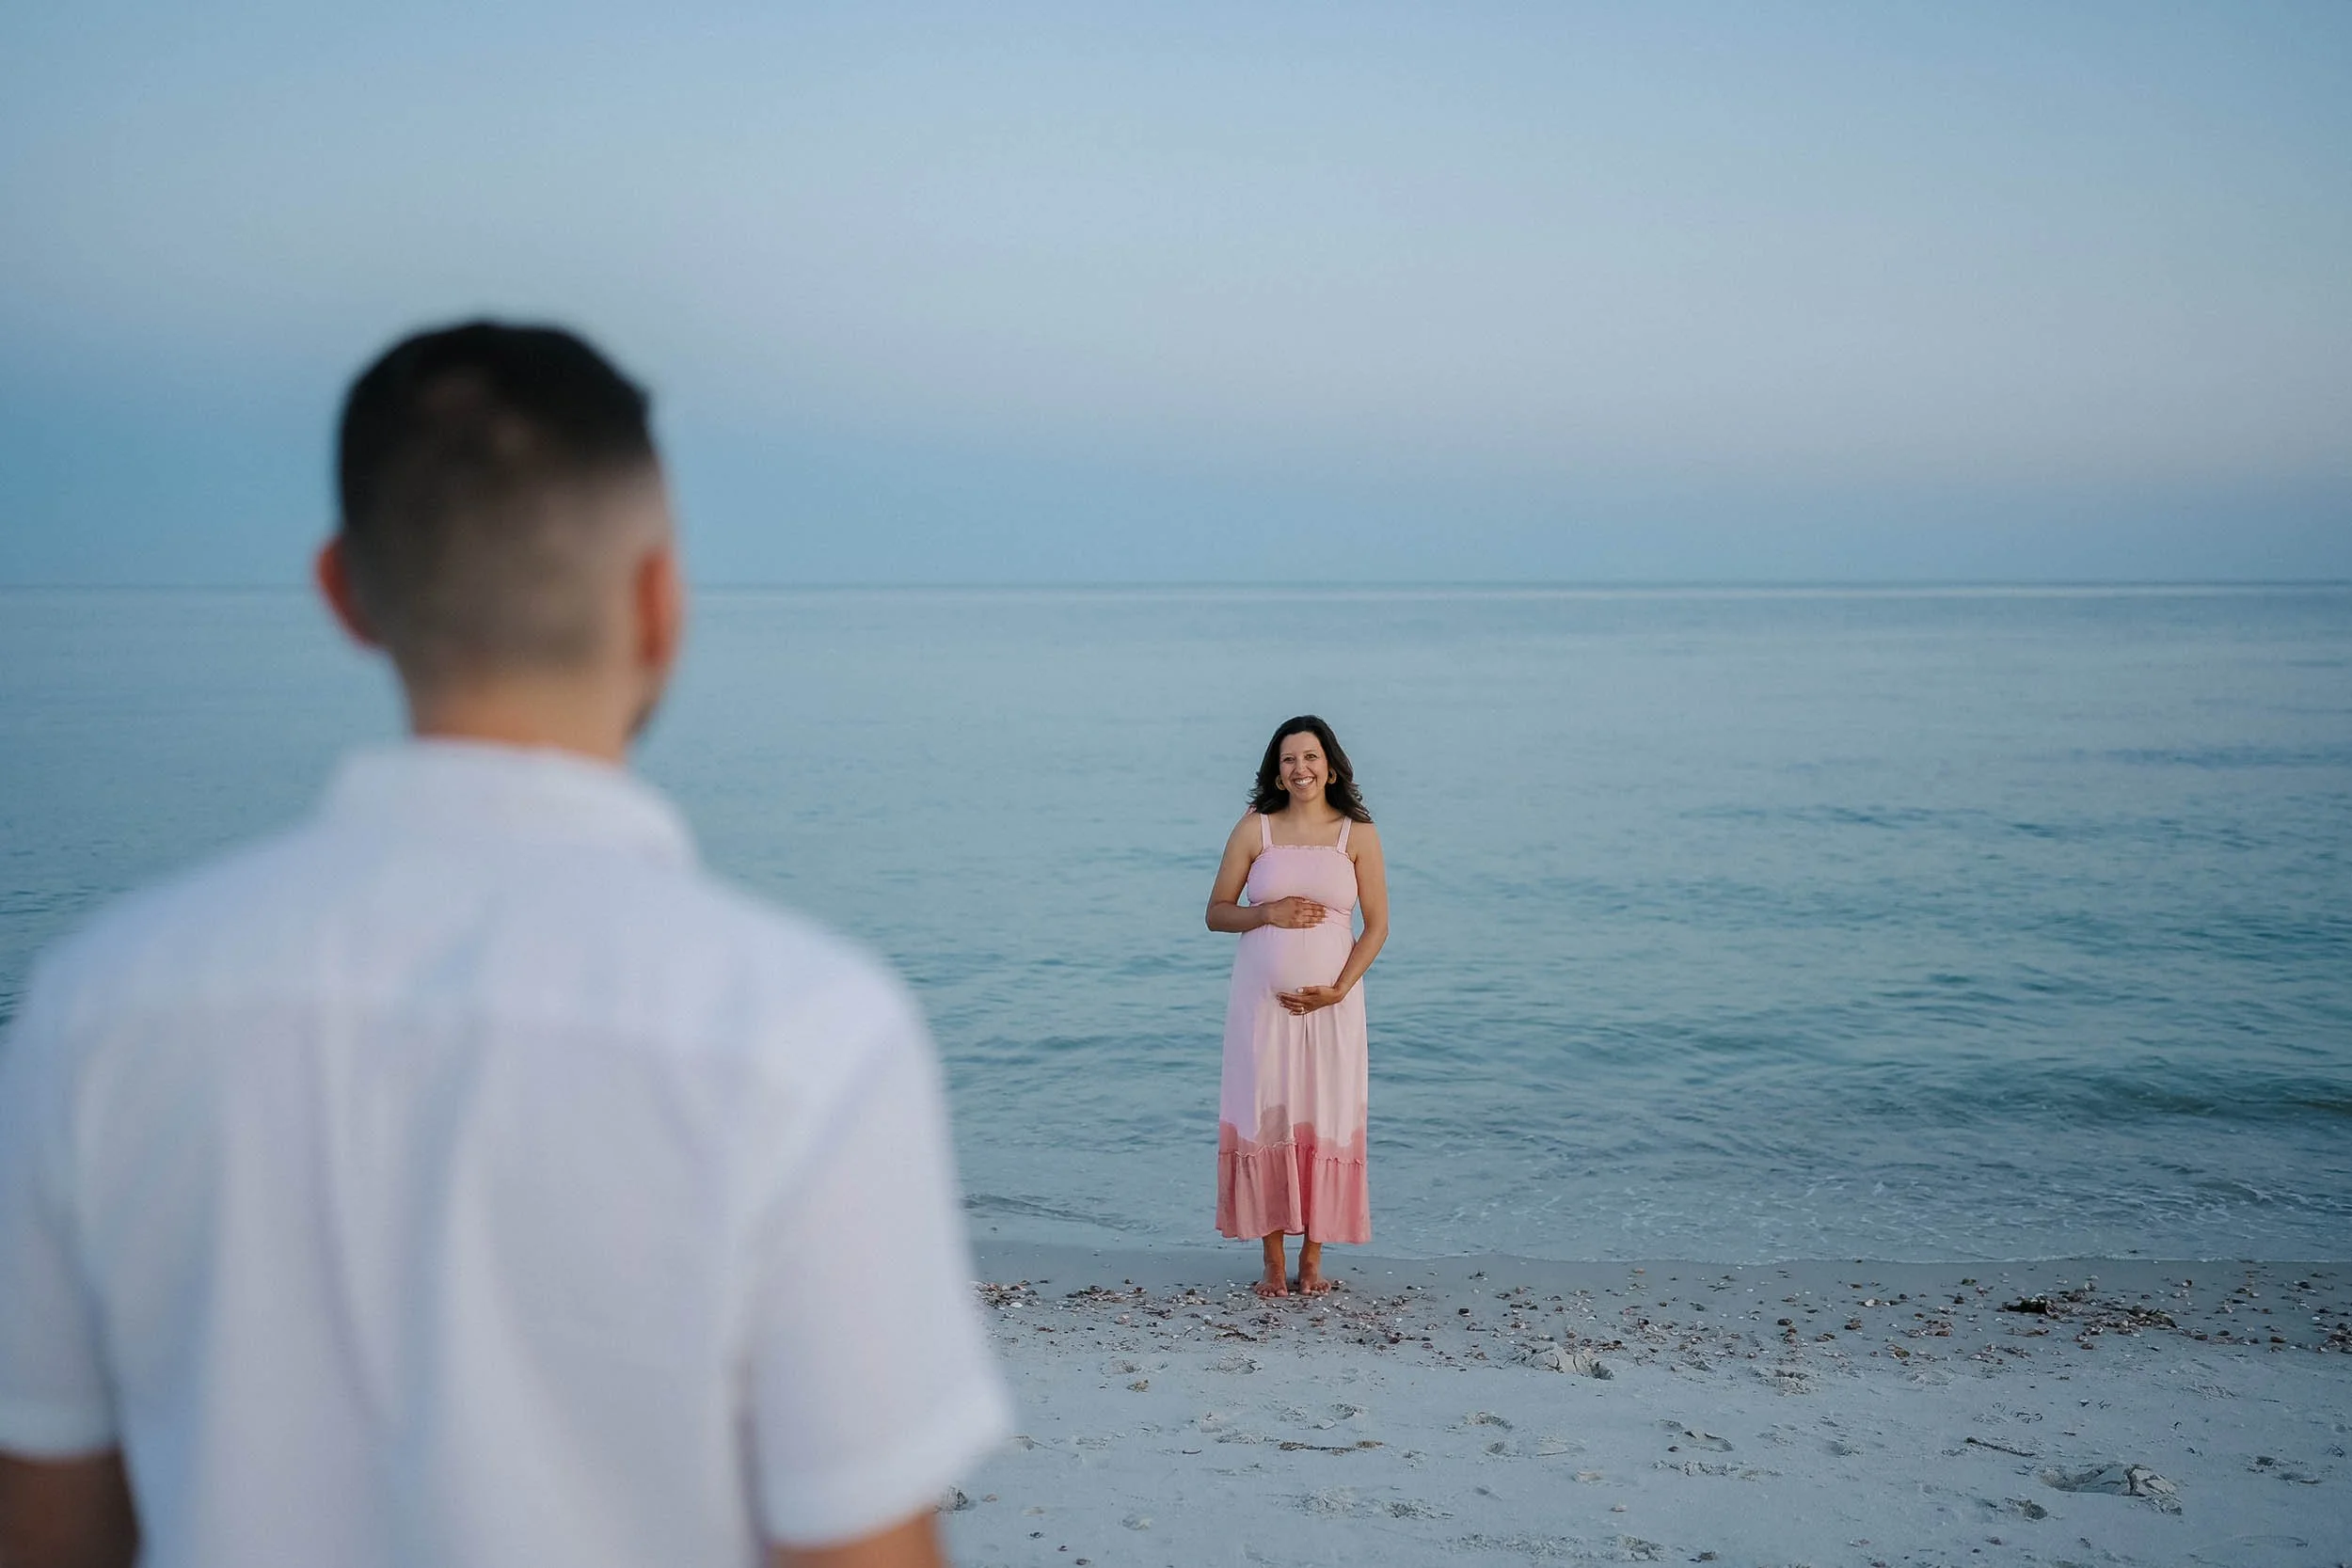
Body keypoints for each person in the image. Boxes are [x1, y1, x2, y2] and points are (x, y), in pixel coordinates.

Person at [0, 322, 1009, 1568]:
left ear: (344, 593)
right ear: (659, 599)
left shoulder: (98, 1006)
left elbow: (47, 1517)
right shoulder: (804, 1030)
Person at [1204, 715, 1389, 1298]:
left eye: (1310, 758)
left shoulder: (1355, 833)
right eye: (1288, 760)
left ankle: (1313, 1257)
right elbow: (1216, 912)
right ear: (1276, 772)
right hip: (1262, 1008)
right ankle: (1273, 1261)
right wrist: (1267, 913)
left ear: (1330, 765)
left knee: (1322, 1114)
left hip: (1333, 1007)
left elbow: (1378, 926)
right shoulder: (1255, 830)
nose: (1300, 769)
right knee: (1269, 1114)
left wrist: (1339, 988)